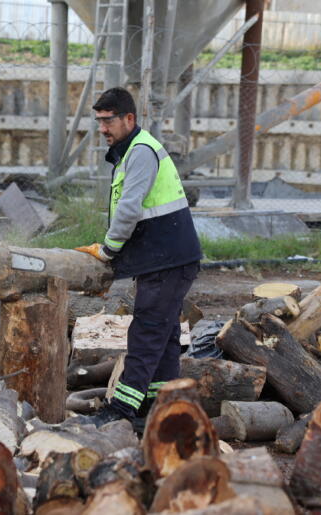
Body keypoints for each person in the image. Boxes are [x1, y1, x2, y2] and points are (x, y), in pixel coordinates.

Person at [75, 87, 202, 426]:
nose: (102, 128)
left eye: (108, 121)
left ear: (129, 118)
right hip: (167, 258)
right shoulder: (130, 150)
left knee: (146, 332)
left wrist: (107, 251)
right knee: (164, 334)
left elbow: (129, 210)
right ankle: (163, 406)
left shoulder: (141, 151)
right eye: (99, 121)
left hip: (169, 260)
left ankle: (121, 410)